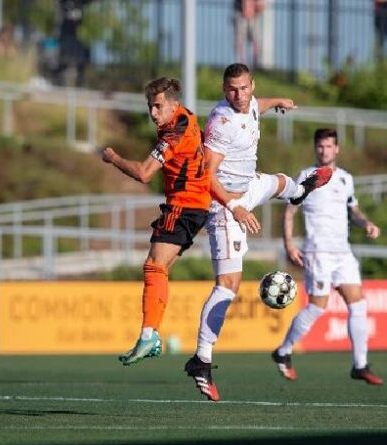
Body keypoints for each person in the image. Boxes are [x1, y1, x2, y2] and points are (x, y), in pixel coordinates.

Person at [184, 63, 332, 402]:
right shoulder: (222, 123)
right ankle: (202, 359)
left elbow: (257, 104)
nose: (239, 95)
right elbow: (206, 176)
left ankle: (299, 191)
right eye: (232, 90)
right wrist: (235, 207)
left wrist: (277, 100)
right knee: (228, 285)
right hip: (224, 204)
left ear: (251, 85)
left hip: (248, 186)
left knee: (279, 182)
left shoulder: (250, 102)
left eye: (244, 88)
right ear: (224, 90)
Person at [102, 77, 210, 366]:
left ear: (174, 105)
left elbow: (144, 173)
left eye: (158, 106)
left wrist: (113, 158)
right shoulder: (183, 117)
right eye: (150, 106)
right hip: (196, 205)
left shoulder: (174, 131)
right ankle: (152, 335)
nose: (152, 112)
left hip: (184, 205)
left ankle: (149, 335)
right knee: (160, 271)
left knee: (153, 266)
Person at [272, 128, 383, 386]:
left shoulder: (345, 179)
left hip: (342, 252)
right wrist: (289, 243)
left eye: (329, 146)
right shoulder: (306, 177)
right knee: (317, 307)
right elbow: (289, 213)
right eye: (320, 146)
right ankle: (284, 350)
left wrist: (366, 223)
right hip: (318, 251)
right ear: (315, 148)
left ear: (337, 149)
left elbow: (352, 210)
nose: (325, 151)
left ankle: (360, 364)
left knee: (358, 304)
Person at [234, 0, 265, 67]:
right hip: (241, 12)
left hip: (254, 13)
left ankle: (253, 64)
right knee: (240, 40)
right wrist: (247, 5)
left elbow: (261, 5)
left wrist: (257, 4)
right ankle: (241, 65)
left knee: (255, 40)